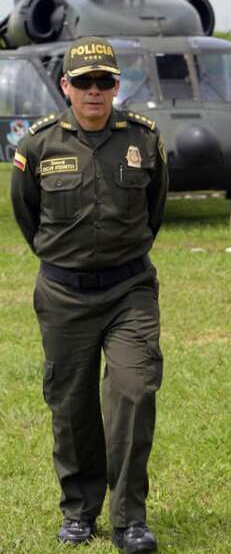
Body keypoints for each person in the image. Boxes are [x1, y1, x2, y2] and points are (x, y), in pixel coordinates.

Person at [10, 37, 167, 551]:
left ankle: (130, 521)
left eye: (104, 81)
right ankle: (79, 511)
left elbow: (155, 209)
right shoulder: (37, 146)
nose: (94, 91)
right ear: (66, 87)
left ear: (117, 86)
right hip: (64, 295)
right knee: (71, 405)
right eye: (83, 82)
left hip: (129, 291)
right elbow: (27, 216)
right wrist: (67, 262)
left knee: (133, 393)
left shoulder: (144, 141)